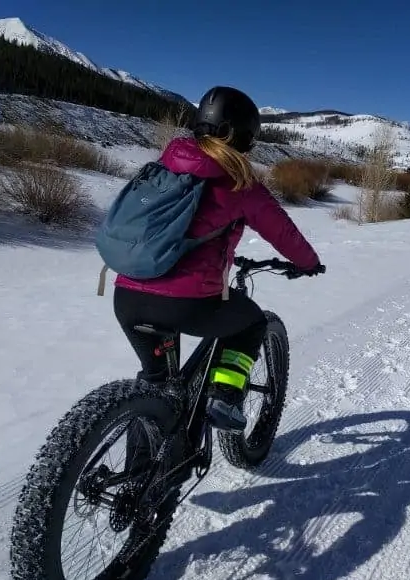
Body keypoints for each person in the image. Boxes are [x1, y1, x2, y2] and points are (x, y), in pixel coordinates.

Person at [113, 86, 323, 442]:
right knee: (251, 324)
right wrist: (309, 263)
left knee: (158, 388)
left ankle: (142, 482)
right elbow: (283, 233)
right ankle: (224, 398)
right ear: (241, 137)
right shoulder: (240, 183)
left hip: (128, 295)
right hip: (186, 304)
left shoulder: (162, 167)